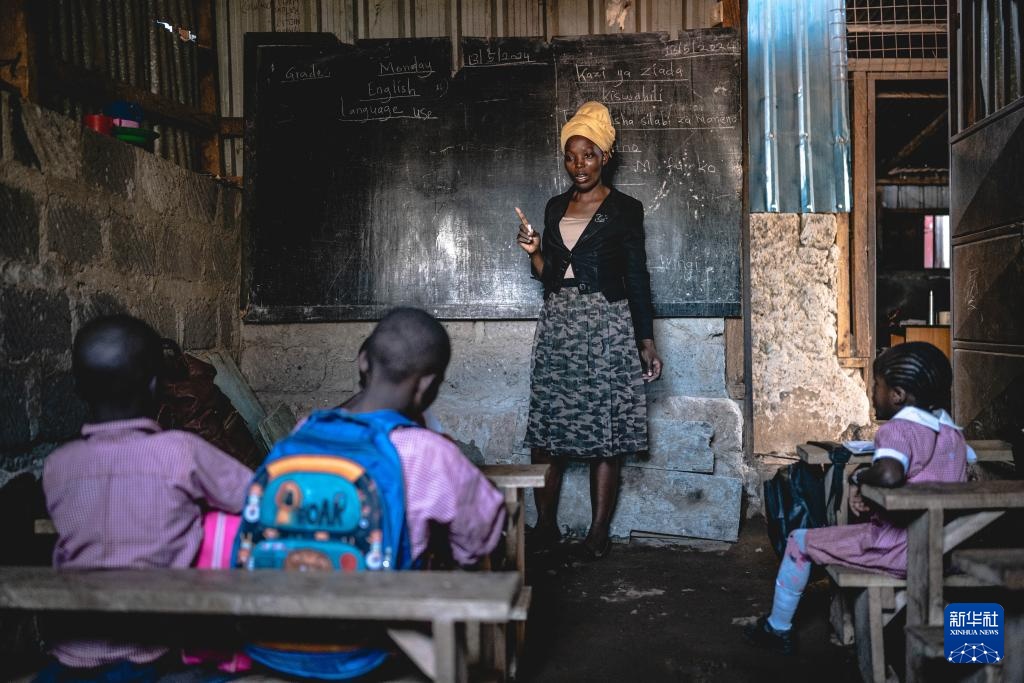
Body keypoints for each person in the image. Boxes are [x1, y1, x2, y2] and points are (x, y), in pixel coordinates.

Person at [37, 315, 254, 682]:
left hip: (70, 658)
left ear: (78, 388)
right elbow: (257, 498)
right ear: (157, 386)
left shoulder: (59, 465)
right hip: (154, 656)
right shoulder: (179, 452)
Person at [744, 342, 967, 655]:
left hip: (900, 551)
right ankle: (968, 652)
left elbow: (889, 474)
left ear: (898, 395)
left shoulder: (899, 430)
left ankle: (777, 628)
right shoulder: (952, 432)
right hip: (945, 547)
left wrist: (858, 478)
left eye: (877, 385)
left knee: (799, 540)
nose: (872, 393)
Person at [516, 101, 663, 560]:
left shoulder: (625, 210)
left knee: (605, 431)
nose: (579, 165)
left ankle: (597, 533)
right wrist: (535, 251)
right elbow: (549, 275)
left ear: (606, 157)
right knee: (546, 431)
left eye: (589, 155)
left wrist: (646, 340)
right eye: (571, 156)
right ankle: (546, 527)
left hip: (606, 325)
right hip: (559, 324)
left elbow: (637, 277)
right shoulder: (555, 206)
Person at [332, 307, 506, 566]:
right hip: (388, 601)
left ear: (363, 361)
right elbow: (479, 540)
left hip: (295, 595)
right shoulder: (427, 451)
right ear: (427, 385)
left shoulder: (304, 431)